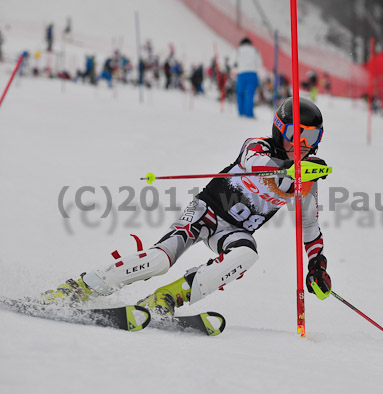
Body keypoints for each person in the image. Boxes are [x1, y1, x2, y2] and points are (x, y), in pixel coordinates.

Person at [41, 97, 332, 315]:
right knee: (159, 261)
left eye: (312, 137)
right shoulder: (257, 147)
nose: (304, 144)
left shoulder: (307, 179)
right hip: (206, 213)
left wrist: (316, 263)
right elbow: (256, 165)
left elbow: (308, 225)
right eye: (297, 134)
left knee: (246, 253)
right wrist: (288, 168)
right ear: (280, 130)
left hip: (232, 231)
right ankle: (82, 287)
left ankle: (169, 297)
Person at [234, 37, 263, 118]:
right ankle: (249, 113)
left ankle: (241, 113)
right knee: (249, 94)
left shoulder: (238, 50)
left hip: (241, 74)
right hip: (252, 74)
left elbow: (233, 62)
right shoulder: (255, 50)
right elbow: (259, 64)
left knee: (240, 94)